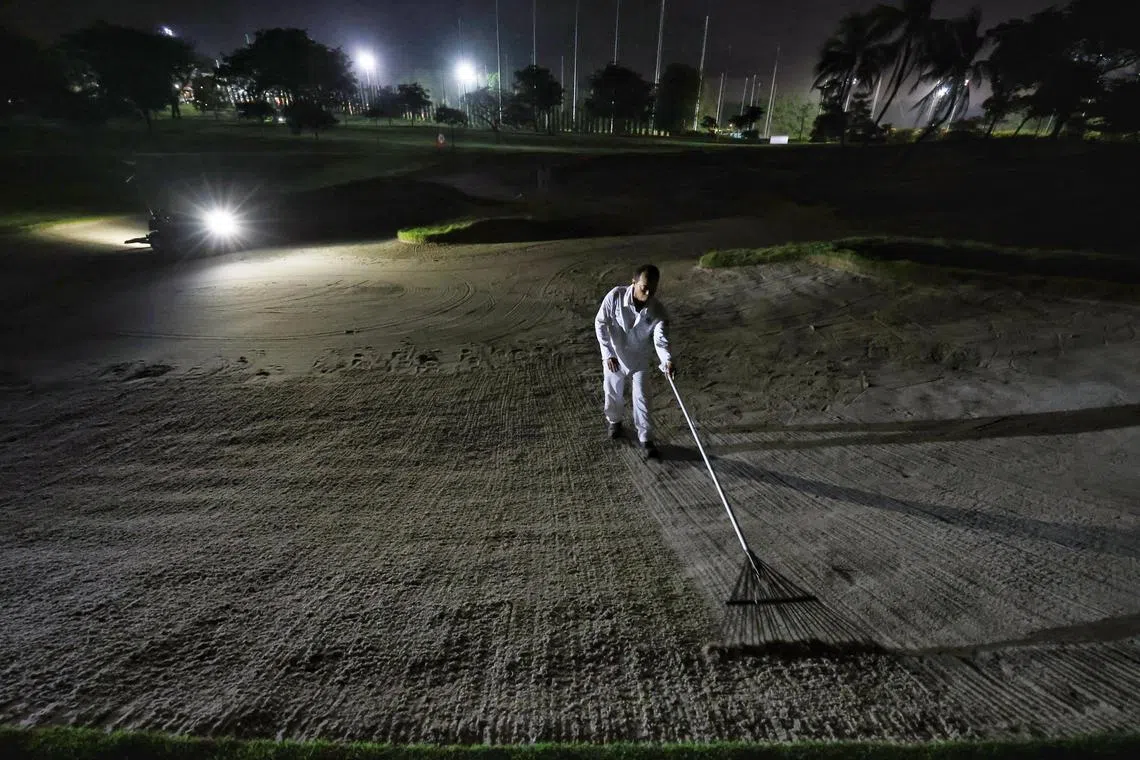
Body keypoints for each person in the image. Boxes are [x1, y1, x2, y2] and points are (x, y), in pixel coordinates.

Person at [594, 264, 676, 459]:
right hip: (615, 356)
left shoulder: (658, 311)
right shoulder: (614, 296)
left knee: (642, 398)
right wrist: (607, 354)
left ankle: (646, 438)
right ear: (634, 282)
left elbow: (660, 340)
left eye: (653, 289)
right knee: (612, 390)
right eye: (644, 287)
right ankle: (615, 422)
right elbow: (600, 323)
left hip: (639, 359)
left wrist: (667, 361)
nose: (648, 293)